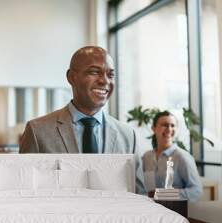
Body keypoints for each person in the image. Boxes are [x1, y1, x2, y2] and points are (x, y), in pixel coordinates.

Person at [19, 46, 145, 194]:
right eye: (94, 72)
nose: (104, 81)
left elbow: (138, 195)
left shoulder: (128, 136)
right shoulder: (37, 131)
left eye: (110, 75)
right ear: (72, 77)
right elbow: (25, 194)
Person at [142, 111, 203, 201]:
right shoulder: (147, 156)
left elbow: (196, 192)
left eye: (173, 125)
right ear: (153, 128)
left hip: (174, 211)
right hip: (149, 210)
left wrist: (162, 194)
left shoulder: (182, 156)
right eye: (165, 125)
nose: (169, 129)